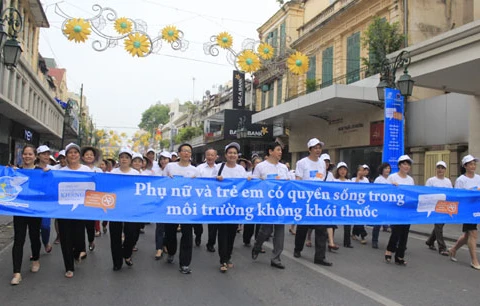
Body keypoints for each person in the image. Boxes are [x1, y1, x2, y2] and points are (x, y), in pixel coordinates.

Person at [292, 138, 332, 266]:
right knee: (303, 226)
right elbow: (298, 180)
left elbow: (322, 180)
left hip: (319, 200)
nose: (318, 150)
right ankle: (297, 249)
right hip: (305, 199)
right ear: (310, 149)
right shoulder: (302, 163)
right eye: (315, 148)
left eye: (319, 148)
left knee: (321, 228)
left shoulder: (321, 163)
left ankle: (320, 256)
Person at [251, 142, 289, 269]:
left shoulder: (284, 167)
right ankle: (257, 246)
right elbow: (254, 184)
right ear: (270, 151)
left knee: (279, 231)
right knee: (266, 230)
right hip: (266, 203)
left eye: (281, 150)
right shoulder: (261, 167)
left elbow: (288, 184)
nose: (280, 152)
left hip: (280, 204)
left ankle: (276, 258)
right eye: (278, 150)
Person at [58, 143, 93, 278]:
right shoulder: (60, 172)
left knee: (78, 238)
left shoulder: (87, 170)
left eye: (75, 152)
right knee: (65, 238)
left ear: (79, 155)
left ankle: (77, 252)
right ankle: (69, 267)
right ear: (66, 156)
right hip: (63, 210)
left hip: (80, 210)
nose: (73, 155)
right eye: (70, 153)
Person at [10, 144, 43, 285]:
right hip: (19, 210)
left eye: (30, 154)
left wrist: (47, 173)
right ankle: (16, 273)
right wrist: (10, 173)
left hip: (35, 210)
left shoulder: (41, 171)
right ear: (21, 155)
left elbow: (47, 188)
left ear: (35, 157)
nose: (27, 156)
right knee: (19, 240)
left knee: (34, 236)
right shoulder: (15, 171)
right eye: (25, 154)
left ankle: (35, 259)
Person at [163, 143, 199, 274]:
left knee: (187, 235)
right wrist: (167, 179)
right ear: (178, 153)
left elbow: (200, 189)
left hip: (188, 208)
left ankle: (184, 263)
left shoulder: (195, 171)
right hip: (171, 206)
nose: (186, 153)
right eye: (184, 151)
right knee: (170, 233)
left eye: (189, 151)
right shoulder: (170, 167)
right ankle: (171, 252)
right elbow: (160, 183)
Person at [215, 142, 247, 272]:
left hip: (235, 207)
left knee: (232, 233)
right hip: (222, 207)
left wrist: (250, 180)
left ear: (237, 155)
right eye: (230, 153)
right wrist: (217, 179)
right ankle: (222, 260)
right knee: (222, 233)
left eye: (235, 153)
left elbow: (246, 185)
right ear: (225, 155)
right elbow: (208, 184)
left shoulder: (241, 169)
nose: (232, 155)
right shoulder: (219, 167)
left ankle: (228, 257)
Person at [109, 148, 140, 271]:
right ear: (119, 159)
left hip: (131, 208)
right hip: (115, 208)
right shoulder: (112, 173)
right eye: (122, 157)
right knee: (115, 235)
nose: (124, 159)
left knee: (131, 233)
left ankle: (127, 254)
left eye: (127, 157)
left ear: (130, 160)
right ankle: (117, 262)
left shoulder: (136, 174)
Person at [449, 155, 480, 270]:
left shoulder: (478, 178)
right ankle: (474, 260)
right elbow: (458, 196)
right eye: (470, 164)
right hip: (466, 210)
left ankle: (453, 250)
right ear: (465, 166)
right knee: (473, 233)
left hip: (476, 209)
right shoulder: (461, 180)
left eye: (474, 164)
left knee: (467, 235)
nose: (473, 166)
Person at [384, 155, 415, 266]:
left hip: (406, 210)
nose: (406, 166)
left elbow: (412, 194)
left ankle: (400, 256)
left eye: (408, 164)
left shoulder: (410, 180)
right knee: (396, 231)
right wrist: (393, 187)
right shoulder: (392, 177)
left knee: (405, 233)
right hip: (395, 209)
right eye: (404, 164)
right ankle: (389, 250)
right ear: (399, 165)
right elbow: (385, 193)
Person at [424, 161, 452, 256]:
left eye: (442, 168)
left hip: (444, 207)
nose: (440, 170)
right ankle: (442, 247)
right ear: (436, 169)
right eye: (438, 168)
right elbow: (426, 193)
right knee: (439, 226)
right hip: (434, 207)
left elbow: (451, 194)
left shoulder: (448, 181)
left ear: (445, 170)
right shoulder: (431, 180)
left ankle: (430, 241)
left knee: (439, 226)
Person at [196, 148, 219, 251]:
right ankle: (198, 234)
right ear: (205, 156)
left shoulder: (220, 168)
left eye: (212, 155)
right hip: (200, 198)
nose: (210, 157)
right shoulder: (199, 168)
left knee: (213, 223)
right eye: (208, 155)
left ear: (216, 156)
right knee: (197, 221)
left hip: (214, 199)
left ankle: (211, 243)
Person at [81, 146, 102, 248]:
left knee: (90, 224)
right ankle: (81, 248)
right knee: (79, 224)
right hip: (79, 199)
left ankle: (91, 240)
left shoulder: (98, 171)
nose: (89, 156)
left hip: (92, 200)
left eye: (91, 155)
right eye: (87, 155)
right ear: (83, 157)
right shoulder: (77, 169)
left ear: (94, 157)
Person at [35, 145, 54, 254]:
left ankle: (46, 242)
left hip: (47, 202)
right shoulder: (33, 169)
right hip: (34, 202)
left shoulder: (53, 169)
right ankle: (35, 250)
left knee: (45, 226)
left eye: (48, 154)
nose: (46, 156)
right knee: (35, 228)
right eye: (43, 154)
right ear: (38, 156)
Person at [154, 151, 171, 260]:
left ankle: (165, 244)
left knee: (169, 227)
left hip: (171, 203)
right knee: (160, 226)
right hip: (159, 202)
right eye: (162, 159)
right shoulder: (155, 172)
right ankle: (159, 248)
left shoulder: (173, 170)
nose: (164, 161)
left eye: (166, 159)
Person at [243, 156, 263, 247]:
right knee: (250, 223)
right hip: (250, 202)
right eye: (256, 163)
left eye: (260, 163)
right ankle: (247, 239)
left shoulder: (264, 175)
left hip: (261, 202)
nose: (258, 165)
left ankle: (258, 243)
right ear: (253, 164)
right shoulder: (248, 175)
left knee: (259, 224)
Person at [334, 162, 354, 248]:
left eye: (344, 169)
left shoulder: (349, 182)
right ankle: (330, 238)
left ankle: (347, 242)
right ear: (338, 171)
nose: (343, 171)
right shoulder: (334, 181)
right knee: (333, 223)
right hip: (336, 204)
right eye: (341, 169)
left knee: (347, 224)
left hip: (346, 205)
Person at [371, 162, 392, 248]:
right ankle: (374, 240)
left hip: (389, 204)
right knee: (377, 224)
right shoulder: (378, 179)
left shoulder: (391, 179)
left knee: (393, 224)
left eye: (388, 168)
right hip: (380, 204)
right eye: (386, 168)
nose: (387, 170)